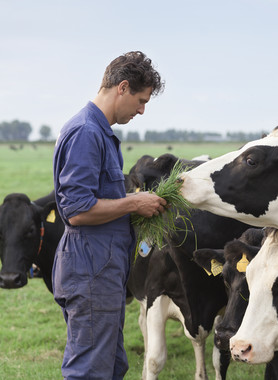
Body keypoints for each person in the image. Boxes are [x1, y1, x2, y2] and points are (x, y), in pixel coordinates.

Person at [52, 51, 167, 379]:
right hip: (90, 269)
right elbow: (77, 210)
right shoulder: (87, 132)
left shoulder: (98, 132)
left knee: (112, 366)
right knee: (90, 370)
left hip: (100, 269)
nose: (142, 110)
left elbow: (94, 199)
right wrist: (134, 204)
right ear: (123, 88)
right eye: (141, 100)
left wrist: (134, 200)